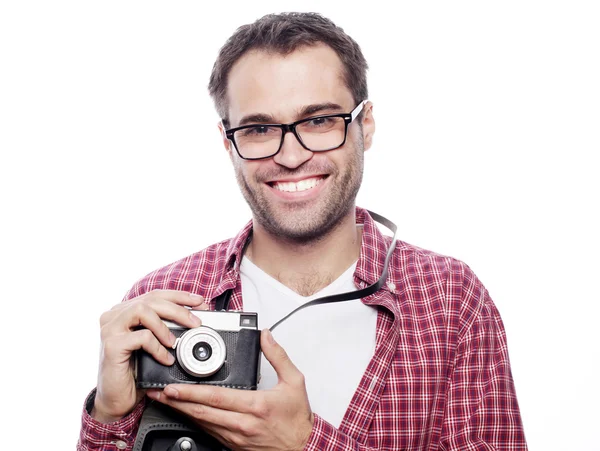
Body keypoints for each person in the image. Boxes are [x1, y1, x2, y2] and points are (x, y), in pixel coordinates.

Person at [77, 12, 527, 451]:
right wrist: (109, 418)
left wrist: (303, 444)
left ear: (364, 125)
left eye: (318, 121)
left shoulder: (450, 300)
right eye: (258, 128)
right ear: (227, 141)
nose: (291, 156)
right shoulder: (162, 301)